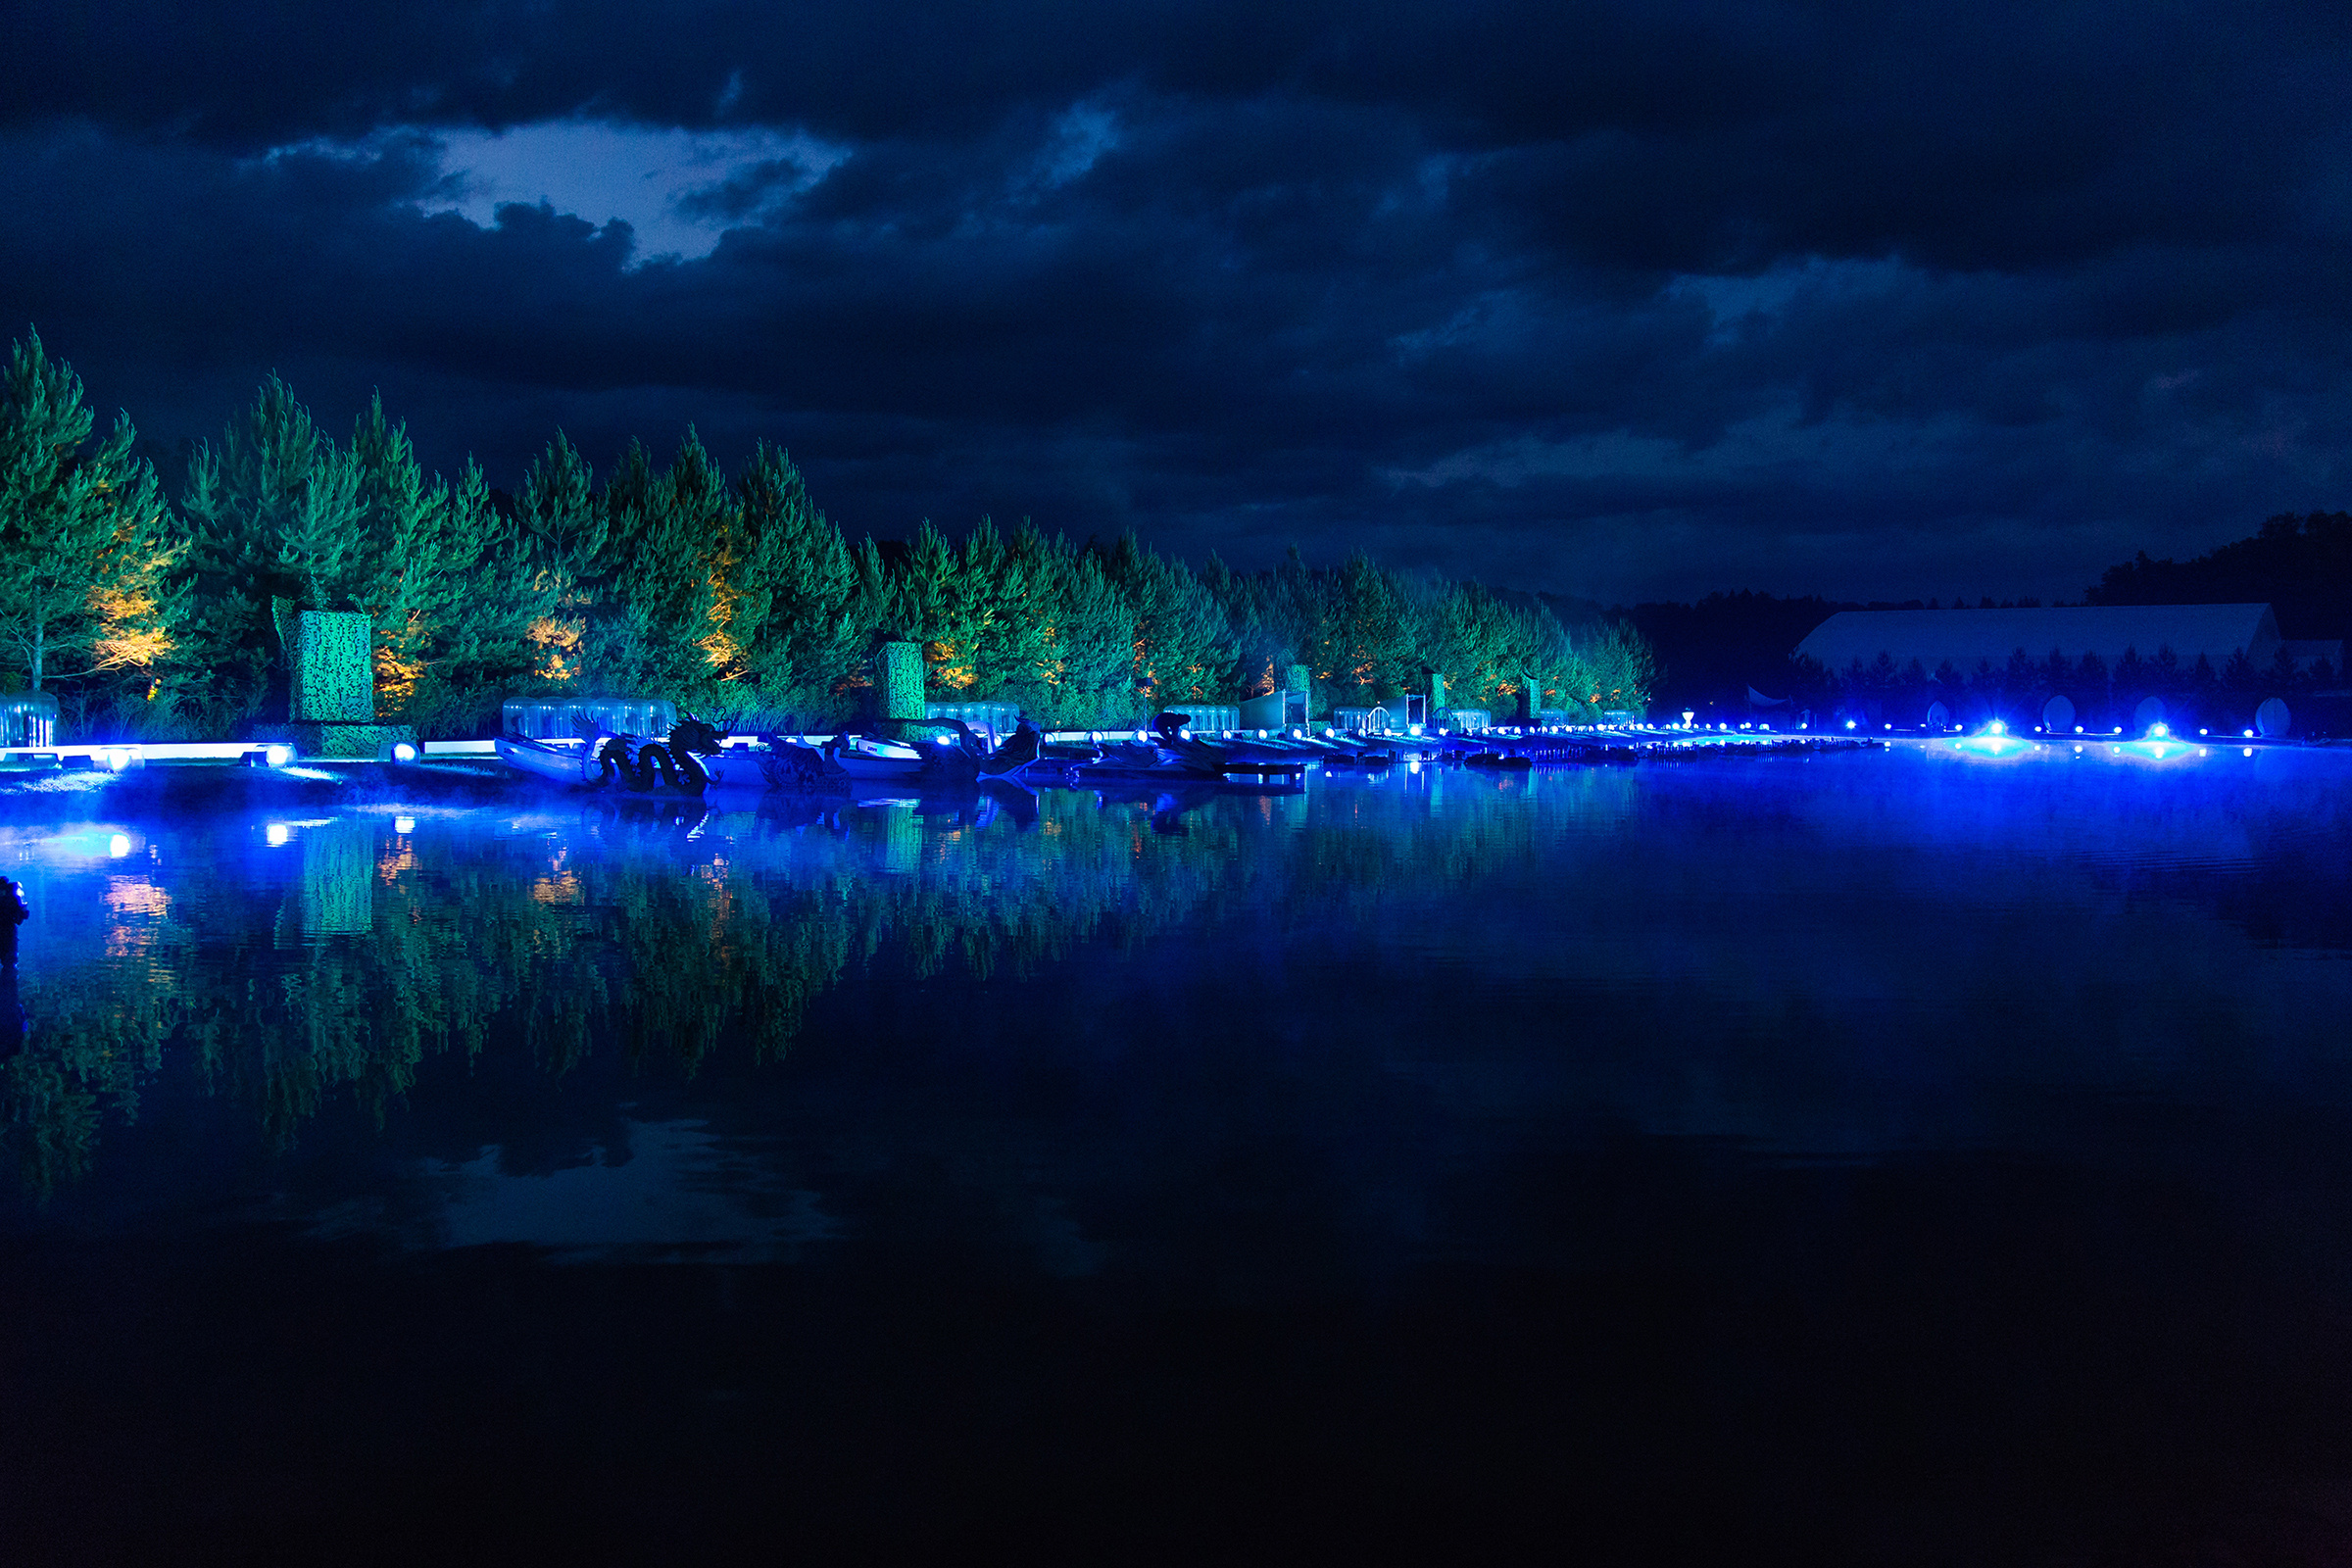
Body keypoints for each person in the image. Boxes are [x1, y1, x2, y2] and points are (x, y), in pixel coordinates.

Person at [0, 875, 24, 967]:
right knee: (10, 964)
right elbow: (20, 917)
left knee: (10, 963)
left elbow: (20, 917)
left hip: (9, 932)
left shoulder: (12, 899)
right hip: (9, 932)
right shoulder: (12, 898)